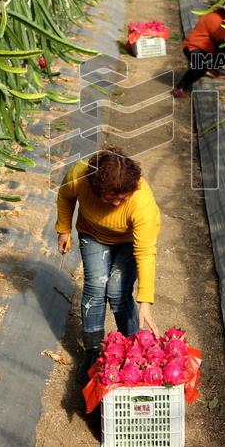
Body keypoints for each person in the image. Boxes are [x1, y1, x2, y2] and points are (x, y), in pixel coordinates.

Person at [55, 148, 161, 383]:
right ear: (95, 187)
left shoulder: (142, 203)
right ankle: (93, 352)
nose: (116, 203)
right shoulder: (80, 176)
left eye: (121, 198)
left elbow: (145, 253)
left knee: (117, 292)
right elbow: (65, 195)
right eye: (110, 197)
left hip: (128, 242)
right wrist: (63, 228)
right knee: (94, 287)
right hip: (92, 234)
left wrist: (145, 301)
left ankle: (135, 349)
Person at [172, 0, 225, 98]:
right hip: (193, 47)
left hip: (207, 50)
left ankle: (210, 65)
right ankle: (181, 87)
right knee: (200, 67)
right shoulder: (215, 19)